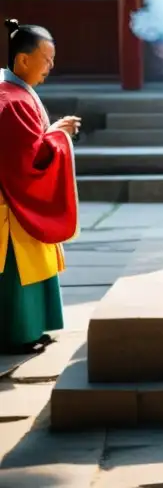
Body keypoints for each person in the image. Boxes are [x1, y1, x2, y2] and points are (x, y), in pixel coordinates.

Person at [0, 18, 80, 353]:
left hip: (15, 198)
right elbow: (25, 161)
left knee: (33, 267)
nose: (50, 66)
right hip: (12, 201)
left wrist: (53, 133)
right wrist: (58, 135)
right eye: (46, 59)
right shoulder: (11, 101)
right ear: (23, 60)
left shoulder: (16, 94)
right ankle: (17, 334)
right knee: (18, 273)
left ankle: (32, 327)